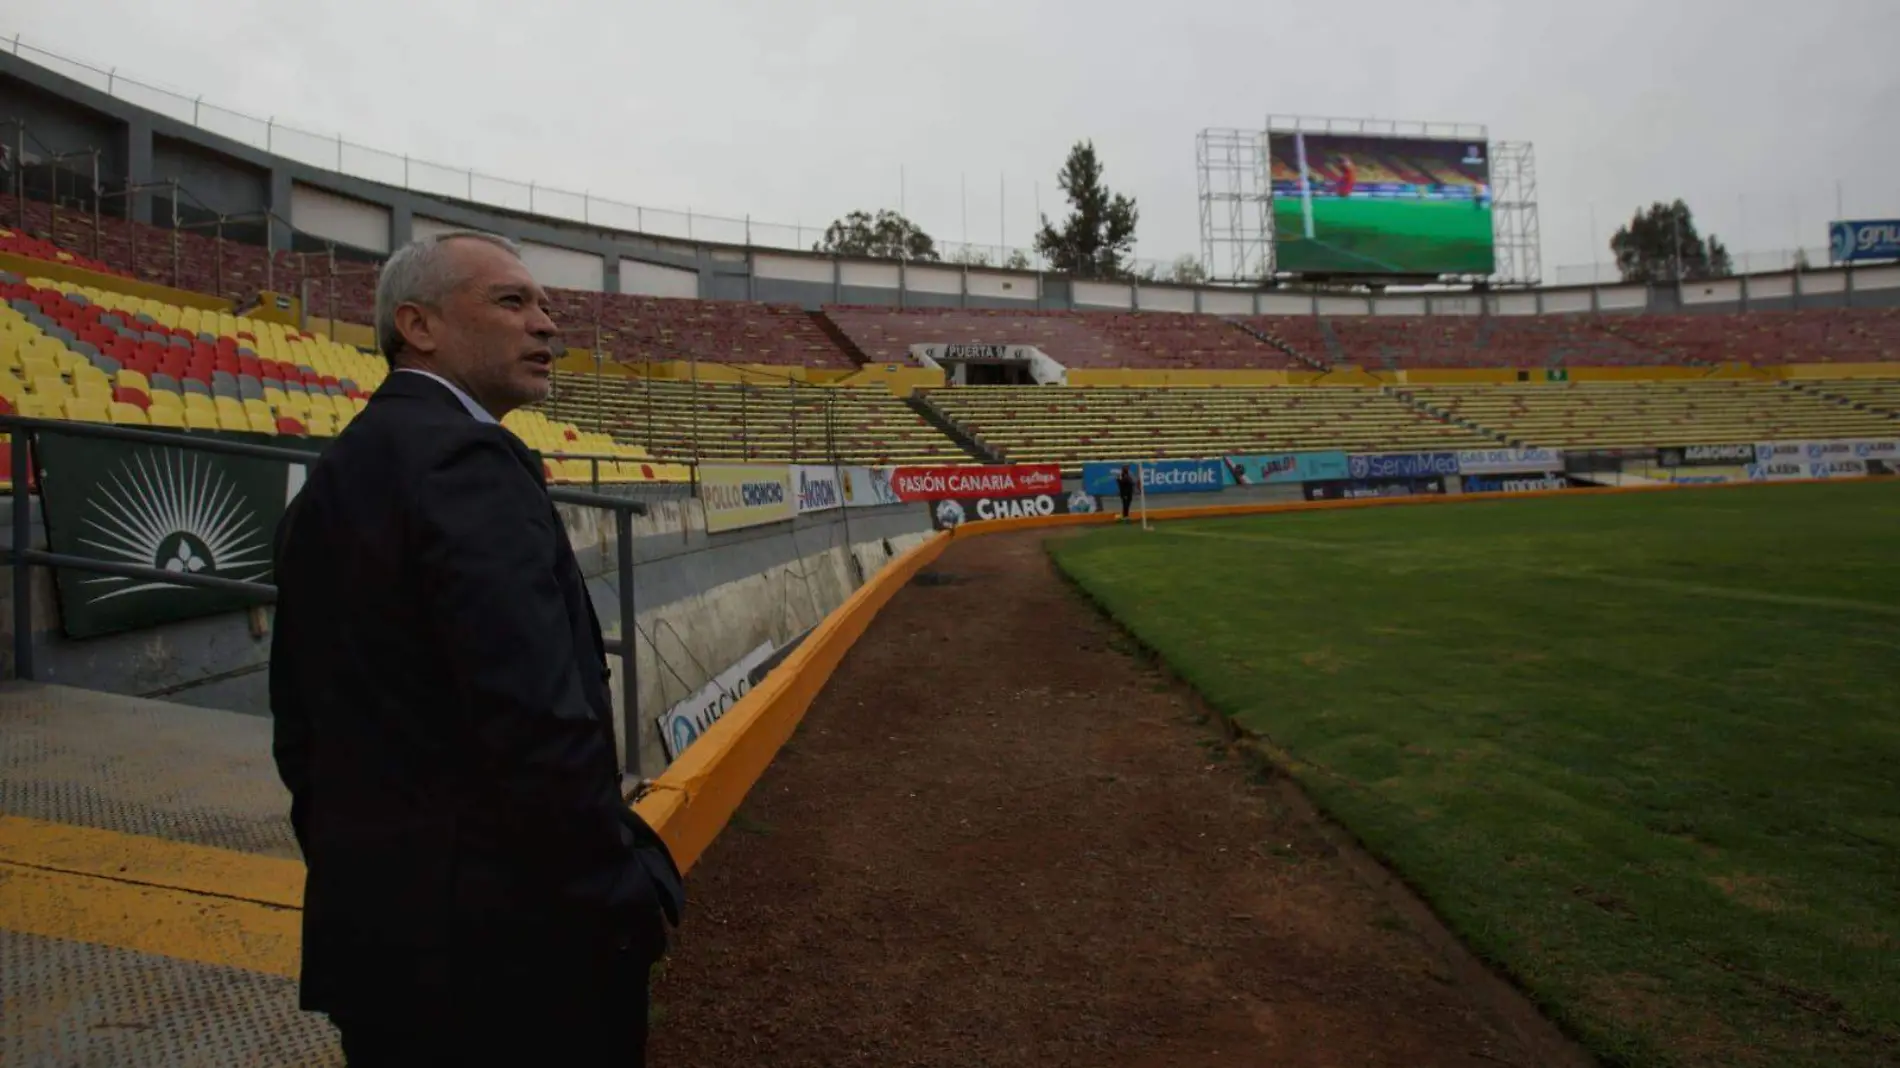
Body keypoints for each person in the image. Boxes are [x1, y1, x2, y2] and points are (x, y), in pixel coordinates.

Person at [270, 231, 682, 1066]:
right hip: (508, 963)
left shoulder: (340, 469)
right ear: (417, 326)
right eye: (512, 301)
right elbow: (537, 717)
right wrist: (615, 893)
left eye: (544, 305)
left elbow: (300, 728)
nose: (546, 325)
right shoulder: (465, 460)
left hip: (381, 941)